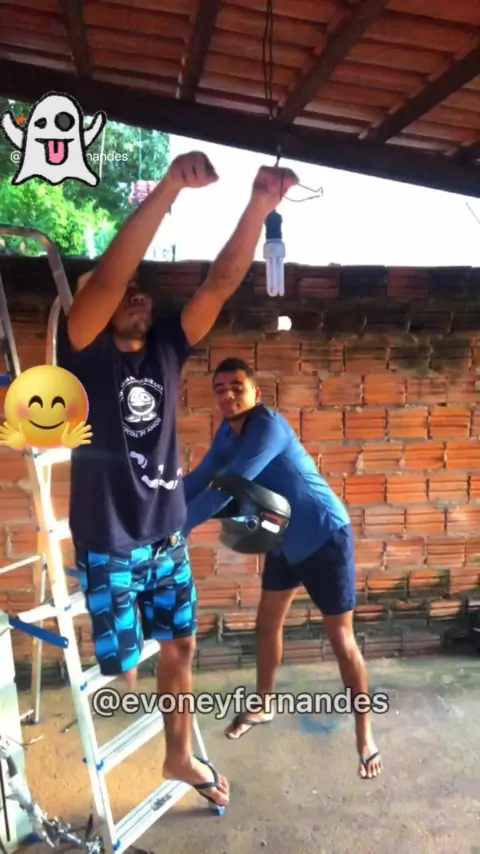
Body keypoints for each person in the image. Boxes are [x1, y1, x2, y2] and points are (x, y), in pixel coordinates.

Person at [55, 152, 299, 811]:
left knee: (182, 645)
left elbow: (220, 283)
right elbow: (109, 278)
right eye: (121, 291)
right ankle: (133, 688)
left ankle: (177, 755)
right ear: (91, 305)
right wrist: (169, 187)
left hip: (165, 538)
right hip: (109, 542)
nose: (135, 294)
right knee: (122, 665)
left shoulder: (166, 345)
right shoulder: (83, 350)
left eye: (142, 290)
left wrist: (260, 204)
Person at [182, 358, 383, 780]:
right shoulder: (227, 433)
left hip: (325, 536)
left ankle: (365, 735)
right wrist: (157, 510)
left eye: (237, 387)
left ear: (255, 392)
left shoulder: (267, 428)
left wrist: (177, 528)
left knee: (341, 639)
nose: (228, 395)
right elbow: (200, 479)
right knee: (267, 623)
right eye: (220, 389)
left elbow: (228, 487)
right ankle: (264, 703)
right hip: (282, 537)